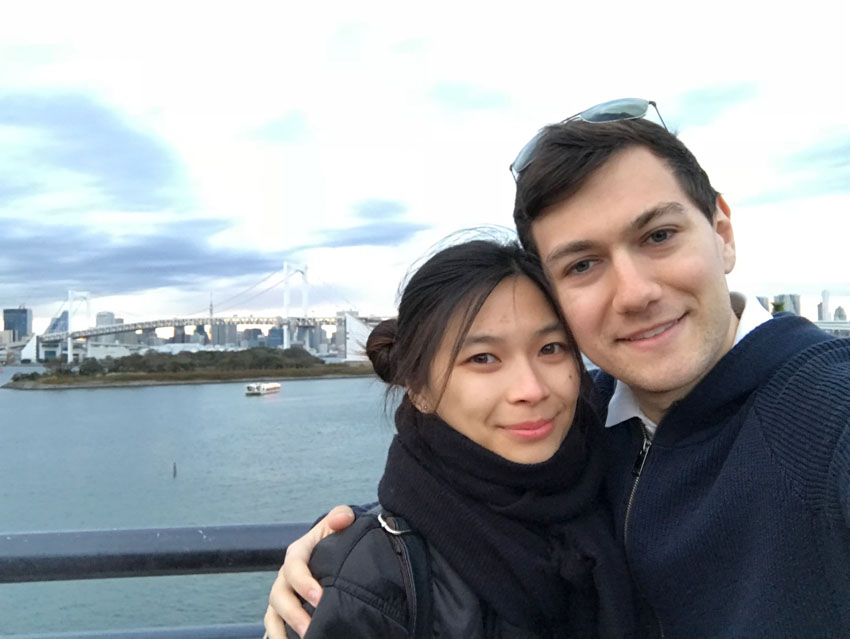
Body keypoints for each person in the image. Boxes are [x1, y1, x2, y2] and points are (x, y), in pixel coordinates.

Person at [267, 100, 850, 638]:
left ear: (722, 232)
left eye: (660, 235)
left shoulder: (827, 413)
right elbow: (469, 486)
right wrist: (344, 560)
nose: (635, 293)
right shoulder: (595, 419)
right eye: (583, 264)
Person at [274, 238, 636, 638]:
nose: (531, 389)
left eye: (551, 348)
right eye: (483, 358)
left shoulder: (626, 470)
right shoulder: (369, 581)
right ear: (419, 390)